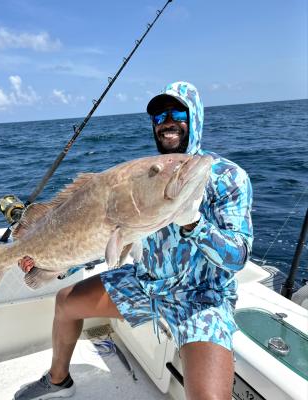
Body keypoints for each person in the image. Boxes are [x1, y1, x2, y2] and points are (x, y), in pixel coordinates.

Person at [14, 81, 253, 400]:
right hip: (147, 283)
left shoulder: (228, 177)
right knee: (66, 302)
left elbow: (237, 257)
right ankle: (58, 381)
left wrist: (195, 223)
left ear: (195, 116)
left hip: (202, 298)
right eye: (159, 116)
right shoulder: (144, 176)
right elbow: (104, 238)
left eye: (177, 112)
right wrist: (52, 267)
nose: (168, 121)